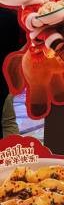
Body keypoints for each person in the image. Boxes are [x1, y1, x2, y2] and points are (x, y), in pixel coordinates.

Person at [0, 8, 22, 138]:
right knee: (8, 120)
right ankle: (13, 149)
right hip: (8, 76)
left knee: (7, 120)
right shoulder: (12, 17)